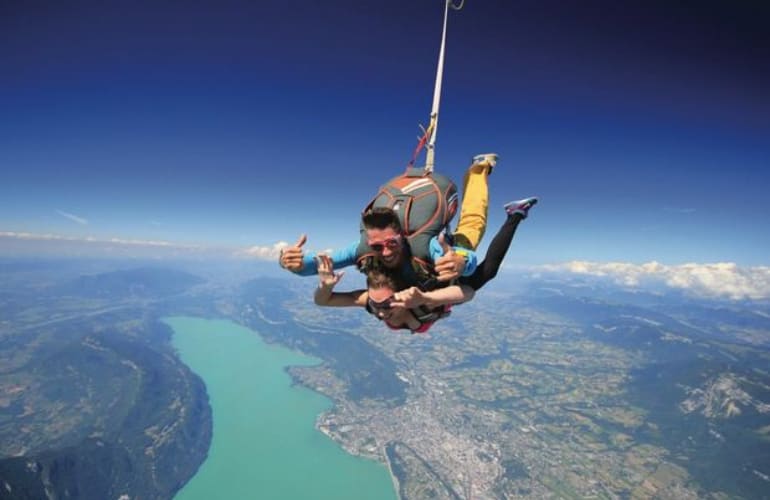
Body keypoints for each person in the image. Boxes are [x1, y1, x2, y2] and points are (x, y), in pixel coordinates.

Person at [313, 196, 538, 333]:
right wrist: (325, 287)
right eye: (378, 305)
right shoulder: (374, 301)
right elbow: (324, 301)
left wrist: (426, 299)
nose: (380, 313)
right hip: (435, 294)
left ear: (400, 295)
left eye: (385, 306)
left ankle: (514, 215)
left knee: (487, 270)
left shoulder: (417, 301)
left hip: (441, 283)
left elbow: (468, 292)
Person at [278, 153, 498, 285]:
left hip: (437, 253)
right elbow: (316, 265)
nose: (385, 251)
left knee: (471, 226)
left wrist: (460, 262)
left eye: (392, 243)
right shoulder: (363, 248)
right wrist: (290, 263)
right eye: (377, 246)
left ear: (403, 235)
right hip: (414, 287)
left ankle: (478, 171)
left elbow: (468, 259)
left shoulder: (427, 246)